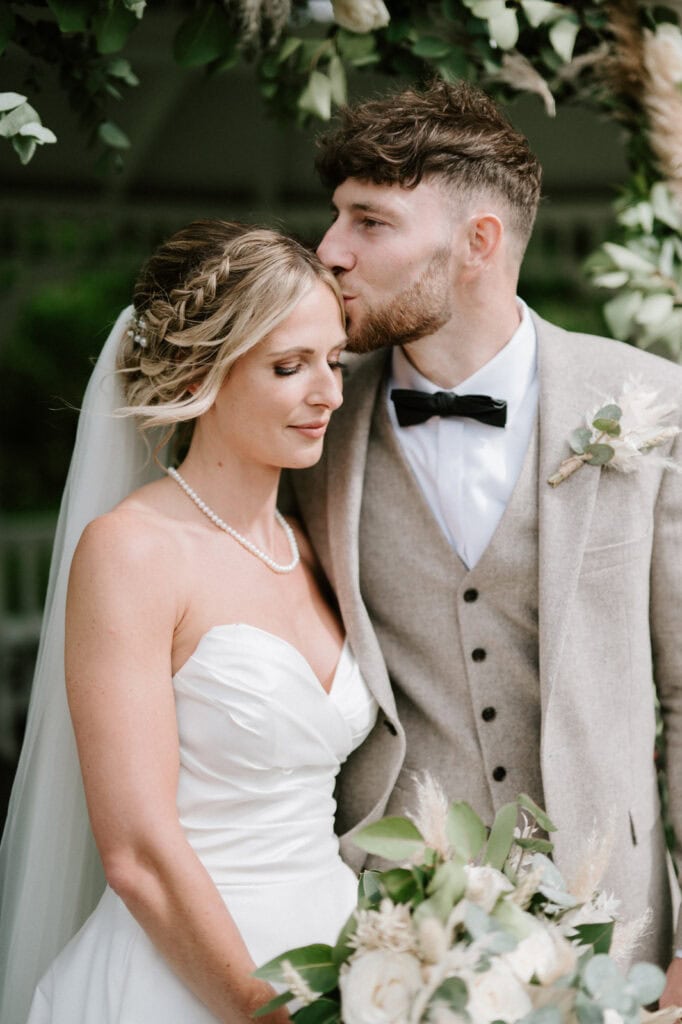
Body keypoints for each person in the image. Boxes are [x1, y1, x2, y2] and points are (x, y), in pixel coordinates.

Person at [288, 79, 682, 995]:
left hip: (616, 928)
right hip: (389, 928)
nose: (329, 252)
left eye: (370, 222)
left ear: (479, 243)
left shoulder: (651, 405)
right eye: (335, 217)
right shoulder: (311, 419)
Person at [0, 220, 378, 1024]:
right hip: (192, 972)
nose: (329, 395)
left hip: (344, 952)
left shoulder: (308, 541)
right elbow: (136, 852)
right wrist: (261, 1008)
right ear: (204, 371)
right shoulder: (133, 552)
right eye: (290, 367)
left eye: (333, 362)